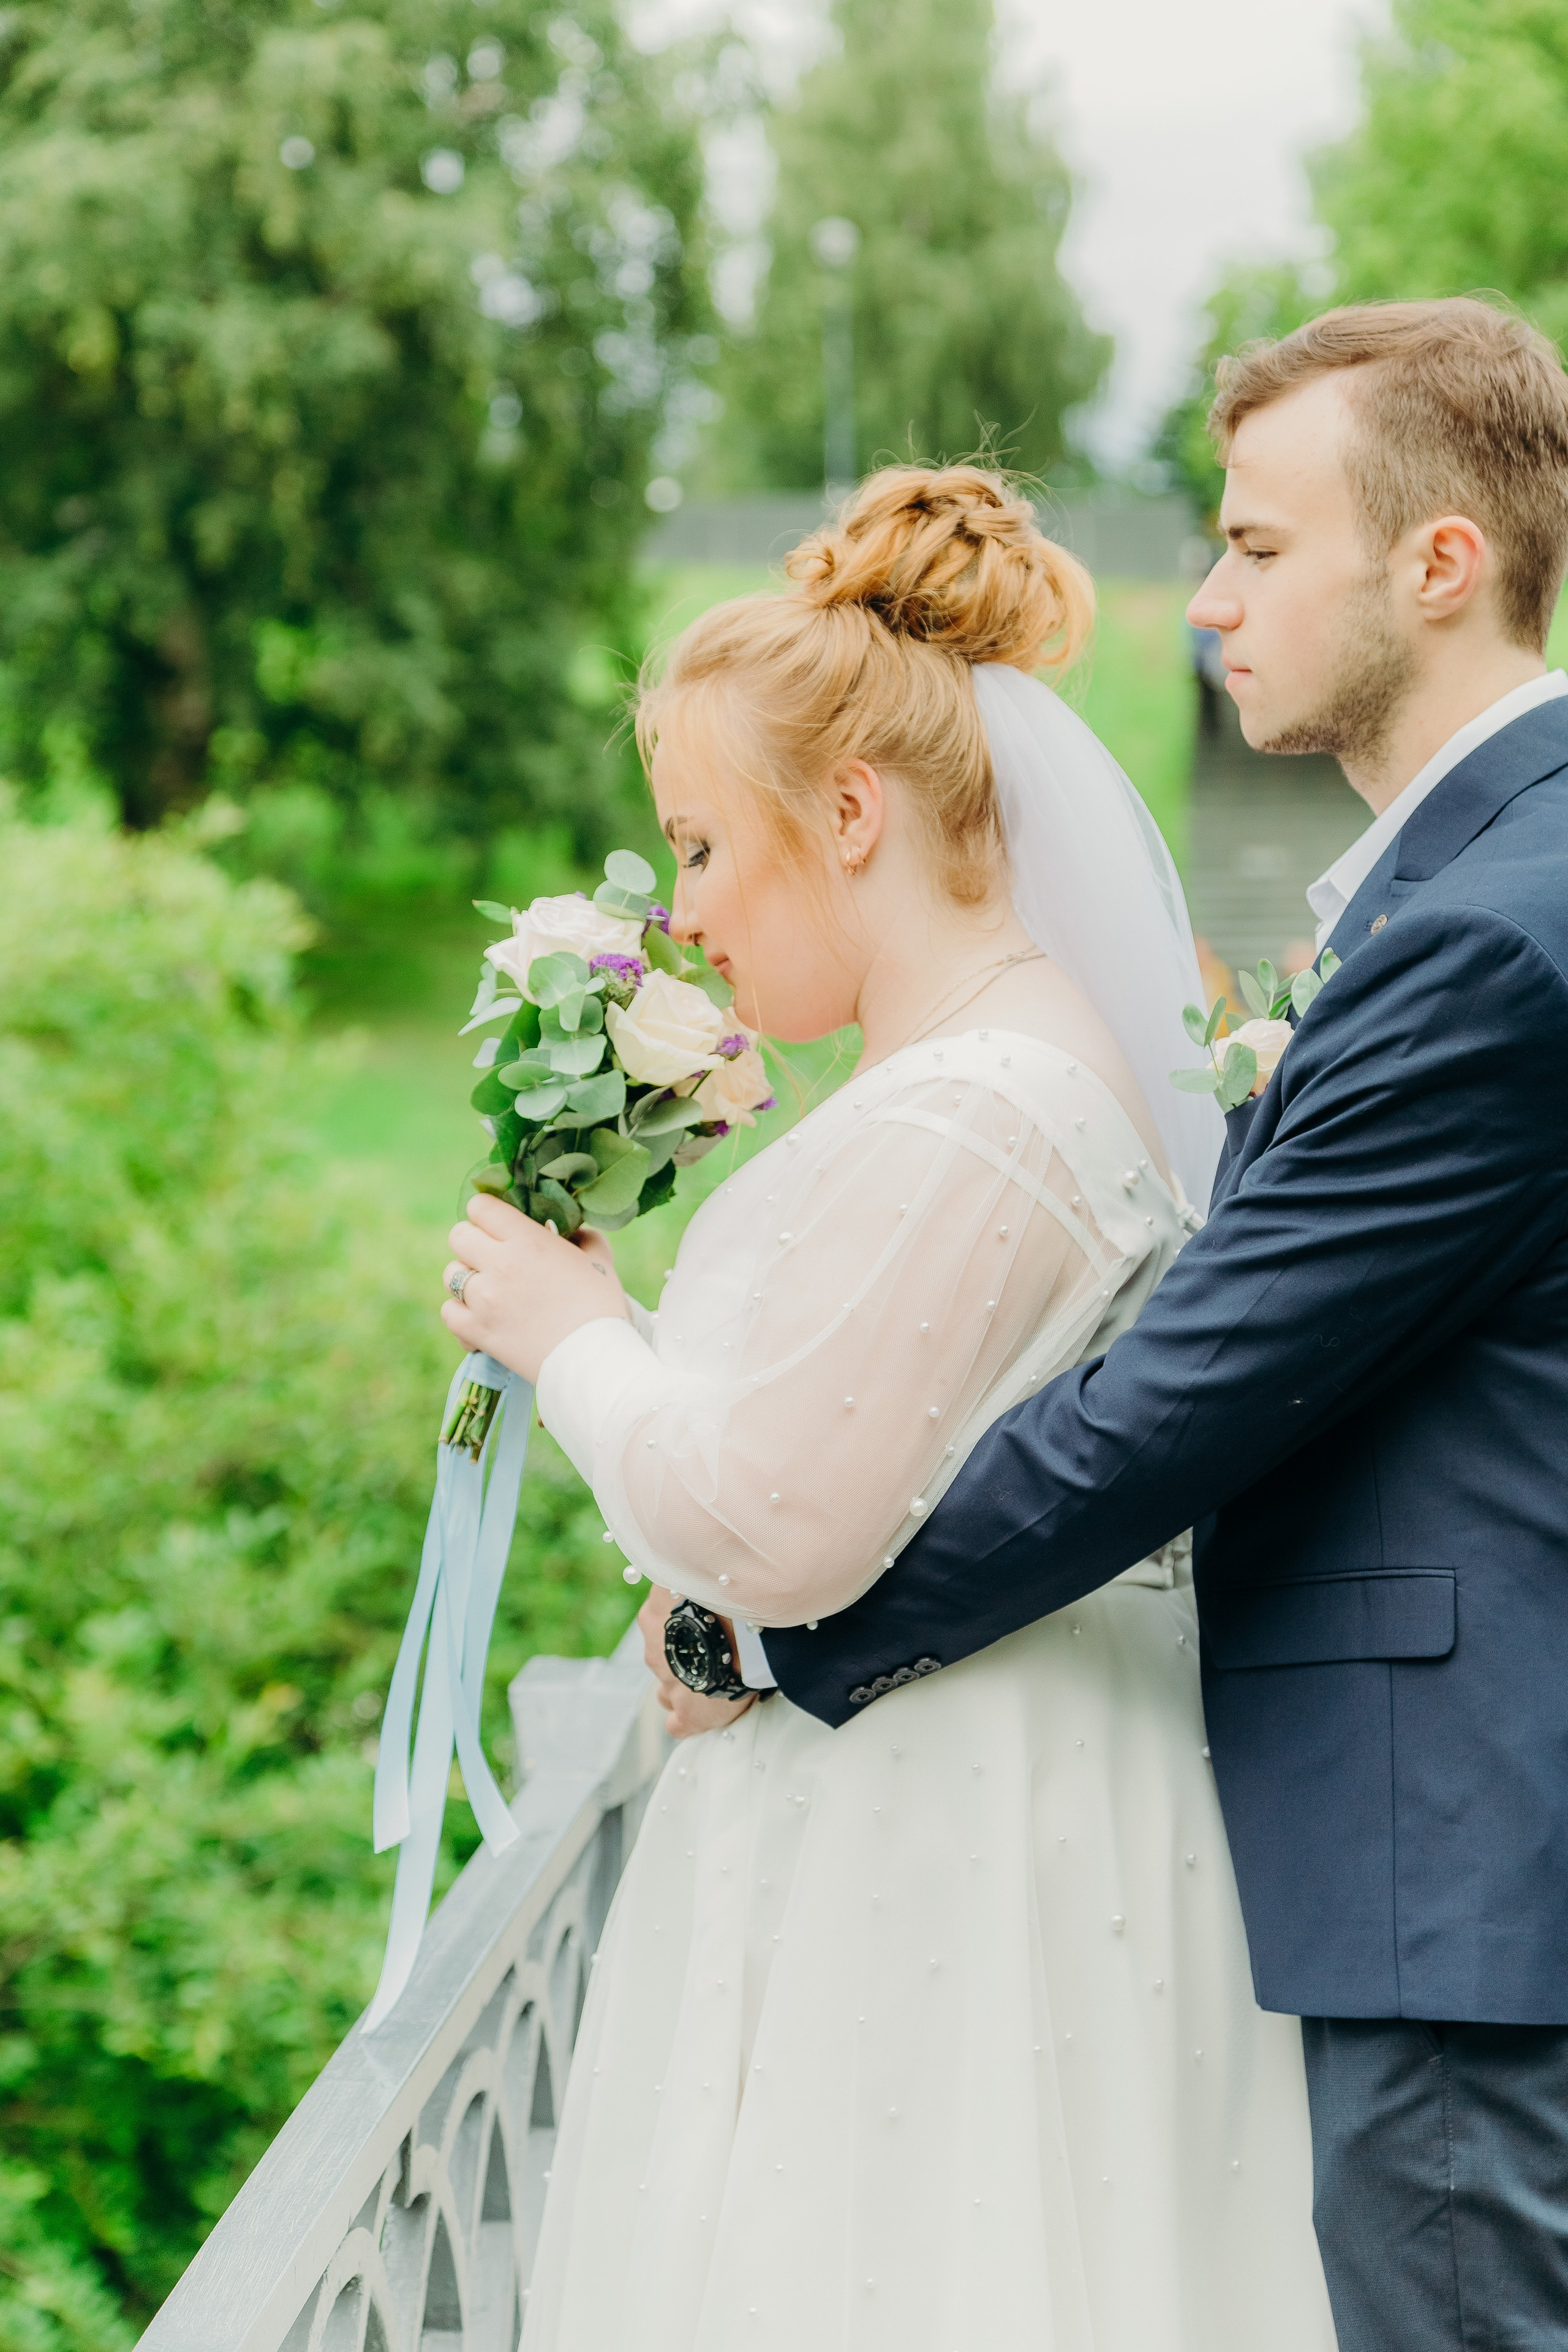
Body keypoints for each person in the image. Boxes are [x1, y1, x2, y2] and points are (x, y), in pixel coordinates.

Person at [441, 464, 1335, 2349]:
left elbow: (783, 1519)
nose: (679, 912)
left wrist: (571, 1330)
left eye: (697, 847)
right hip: (959, 1796)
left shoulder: (978, 1107)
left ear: (847, 813)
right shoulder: (975, 1074)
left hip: (942, 1853)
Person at [764, 301, 1568, 2352]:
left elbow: (1184, 1403)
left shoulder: (1489, 934)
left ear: (1440, 565)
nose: (1207, 603)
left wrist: (793, 1632)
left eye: (1259, 548)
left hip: (1459, 1875)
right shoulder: (1477, 885)